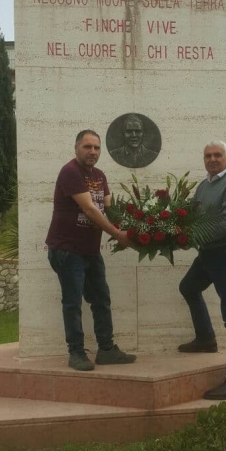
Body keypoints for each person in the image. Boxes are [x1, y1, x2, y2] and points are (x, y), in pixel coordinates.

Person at [46, 129, 137, 371]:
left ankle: (106, 350)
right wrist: (118, 235)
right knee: (73, 302)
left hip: (89, 250)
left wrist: (137, 227)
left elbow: (109, 209)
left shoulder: (99, 175)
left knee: (101, 299)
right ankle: (75, 352)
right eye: (87, 147)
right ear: (76, 148)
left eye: (97, 148)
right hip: (67, 250)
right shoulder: (70, 172)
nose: (93, 152)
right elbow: (90, 209)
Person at [178, 139, 226, 400]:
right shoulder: (204, 185)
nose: (212, 159)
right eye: (207, 155)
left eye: (217, 155)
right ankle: (206, 339)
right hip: (209, 252)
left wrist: (190, 239)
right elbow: (193, 216)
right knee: (188, 287)